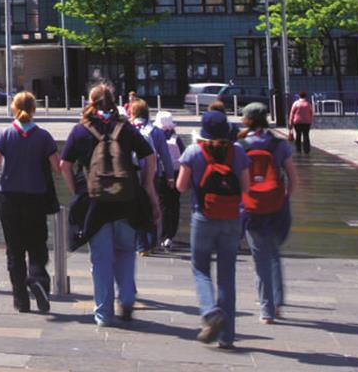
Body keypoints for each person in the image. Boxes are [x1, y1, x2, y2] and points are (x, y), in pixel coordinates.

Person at [60, 82, 160, 328]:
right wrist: (147, 185)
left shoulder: (81, 130)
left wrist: (78, 190)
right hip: (126, 199)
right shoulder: (124, 128)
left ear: (89, 103)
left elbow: (64, 165)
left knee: (101, 259)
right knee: (126, 251)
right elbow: (149, 155)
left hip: (95, 204)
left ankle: (104, 314)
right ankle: (126, 297)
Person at [0, 91, 68, 313]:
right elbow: (57, 167)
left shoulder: (4, 135)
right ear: (34, 110)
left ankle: (20, 300)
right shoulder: (43, 137)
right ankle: (38, 279)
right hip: (35, 197)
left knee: (14, 250)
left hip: (9, 198)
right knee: (37, 244)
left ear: (14, 108)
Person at [176, 108, 248, 349]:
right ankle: (227, 336)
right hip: (231, 217)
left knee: (200, 269)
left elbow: (180, 186)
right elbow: (246, 188)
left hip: (203, 216)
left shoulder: (194, 151)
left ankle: (210, 312)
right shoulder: (237, 152)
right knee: (227, 276)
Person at [238, 101, 298, 323]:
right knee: (273, 255)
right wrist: (284, 197)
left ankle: (266, 309)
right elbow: (292, 177)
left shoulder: (241, 144)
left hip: (251, 207)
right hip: (276, 205)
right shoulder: (278, 144)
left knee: (259, 258)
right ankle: (278, 303)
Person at [143, 107, 182, 251]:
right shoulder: (176, 139)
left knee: (163, 205)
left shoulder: (155, 135)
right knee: (174, 205)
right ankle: (170, 234)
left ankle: (162, 235)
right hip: (176, 174)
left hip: (161, 174)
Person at [289, 91, 314, 155]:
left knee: (298, 135)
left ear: (299, 96)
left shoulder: (295, 104)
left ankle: (298, 149)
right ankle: (306, 149)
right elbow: (311, 113)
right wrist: (311, 120)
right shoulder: (308, 104)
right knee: (306, 135)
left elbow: (292, 113)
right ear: (305, 96)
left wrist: (290, 122)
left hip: (297, 122)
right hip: (306, 122)